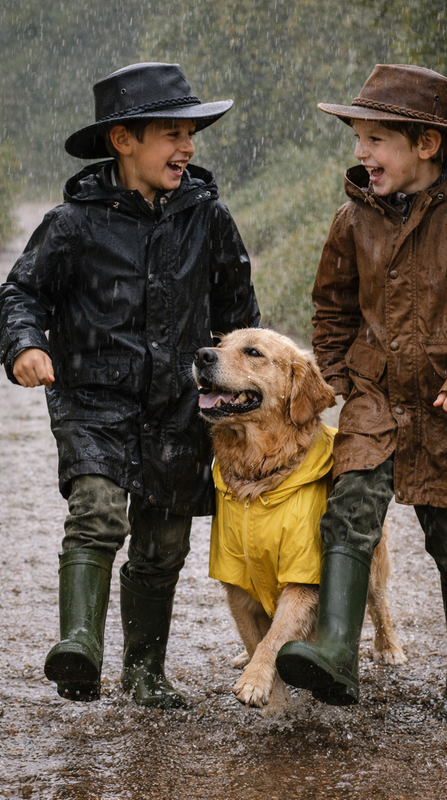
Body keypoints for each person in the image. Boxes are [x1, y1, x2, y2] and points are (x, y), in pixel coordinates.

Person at [0, 62, 260, 707]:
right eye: (172, 132)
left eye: (192, 133)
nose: (188, 146)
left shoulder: (209, 219)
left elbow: (238, 320)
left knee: (164, 541)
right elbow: (21, 294)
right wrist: (24, 345)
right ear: (123, 140)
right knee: (95, 513)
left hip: (181, 405)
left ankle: (145, 672)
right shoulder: (73, 223)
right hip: (92, 399)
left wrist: (247, 396)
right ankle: (79, 646)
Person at [276, 64, 447, 721]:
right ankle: (335, 648)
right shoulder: (351, 221)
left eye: (375, 139)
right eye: (357, 139)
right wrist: (335, 376)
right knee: (349, 509)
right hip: (375, 395)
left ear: (426, 144)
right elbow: (330, 308)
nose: (360, 153)